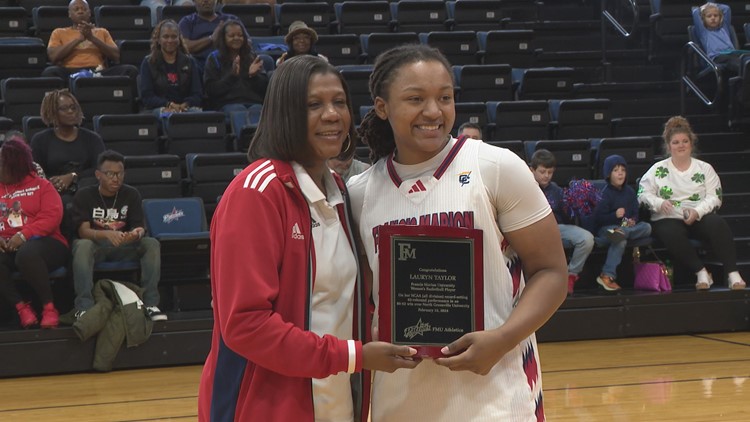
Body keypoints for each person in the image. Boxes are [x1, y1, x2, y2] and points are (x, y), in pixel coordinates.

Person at [350, 44, 568, 421]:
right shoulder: (359, 193)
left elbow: (551, 273)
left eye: (445, 97)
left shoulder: (495, 167)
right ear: (382, 107)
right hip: (400, 401)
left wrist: (501, 340)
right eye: (415, 98)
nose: (433, 111)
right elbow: (363, 303)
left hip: (498, 398)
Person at [198, 55, 420, 421]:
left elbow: (340, 304)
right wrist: (355, 356)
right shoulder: (256, 193)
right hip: (263, 407)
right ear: (284, 113)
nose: (332, 114)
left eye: (339, 102)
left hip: (336, 401)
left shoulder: (339, 192)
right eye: (314, 104)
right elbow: (246, 325)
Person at [639, 116, 746, 291]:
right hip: (669, 217)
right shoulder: (657, 170)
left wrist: (697, 211)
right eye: (675, 142)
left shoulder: (704, 169)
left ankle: (732, 273)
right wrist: (658, 202)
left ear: (691, 143)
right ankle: (701, 272)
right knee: (668, 230)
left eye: (684, 141)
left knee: (718, 223)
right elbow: (642, 193)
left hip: (698, 215)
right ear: (668, 146)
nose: (680, 145)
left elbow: (715, 197)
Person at [68, 150, 166, 323]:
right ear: (98, 175)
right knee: (82, 245)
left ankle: (150, 304)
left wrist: (135, 234)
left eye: (119, 173)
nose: (115, 178)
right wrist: (106, 234)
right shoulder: (84, 195)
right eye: (110, 174)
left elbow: (139, 227)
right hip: (96, 247)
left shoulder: (131, 194)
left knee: (151, 243)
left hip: (122, 246)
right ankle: (84, 307)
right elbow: (83, 231)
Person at [0, 137, 69, 329]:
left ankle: (49, 308)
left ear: (15, 167)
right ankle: (21, 308)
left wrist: (23, 235)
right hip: (7, 245)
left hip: (47, 243)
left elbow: (52, 217)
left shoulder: (41, 186)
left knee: (26, 253)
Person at [31, 89, 105, 238]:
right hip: (54, 192)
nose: (71, 111)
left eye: (73, 107)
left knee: (75, 202)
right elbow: (36, 172)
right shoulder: (40, 140)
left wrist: (73, 176)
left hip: (87, 189)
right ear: (52, 112)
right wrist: (54, 183)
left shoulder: (92, 138)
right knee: (64, 203)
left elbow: (102, 169)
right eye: (64, 108)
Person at [530, 149, 594, 295]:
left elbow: (567, 217)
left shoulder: (557, 191)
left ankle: (570, 275)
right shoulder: (525, 188)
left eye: (550, 172)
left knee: (586, 239)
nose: (546, 176)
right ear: (532, 170)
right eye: (542, 171)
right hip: (532, 231)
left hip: (556, 228)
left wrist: (573, 207)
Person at [591, 155, 652, 291]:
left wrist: (632, 221)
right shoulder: (605, 194)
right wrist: (614, 215)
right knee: (620, 239)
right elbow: (598, 218)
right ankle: (607, 275)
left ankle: (615, 237)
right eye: (616, 170)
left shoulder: (630, 192)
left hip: (624, 228)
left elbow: (635, 213)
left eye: (623, 170)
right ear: (608, 174)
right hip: (607, 228)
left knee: (646, 227)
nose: (620, 173)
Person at [42, 0, 138, 83]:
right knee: (49, 72)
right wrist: (78, 39)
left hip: (98, 71)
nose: (80, 11)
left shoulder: (102, 32)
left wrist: (92, 38)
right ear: (69, 14)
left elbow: (116, 56)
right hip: (69, 71)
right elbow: (53, 57)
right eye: (76, 9)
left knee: (130, 70)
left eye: (84, 9)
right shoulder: (59, 32)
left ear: (89, 13)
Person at [139, 19, 203, 115]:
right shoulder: (148, 62)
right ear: (159, 40)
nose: (170, 40)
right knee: (169, 116)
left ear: (179, 39)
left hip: (185, 108)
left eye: (174, 37)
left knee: (197, 114)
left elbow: (197, 94)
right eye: (166, 37)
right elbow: (147, 97)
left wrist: (185, 104)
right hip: (159, 108)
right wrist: (169, 105)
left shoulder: (190, 62)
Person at [203, 20, 268, 114]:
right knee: (238, 110)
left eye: (240, 35)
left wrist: (253, 76)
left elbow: (265, 89)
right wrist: (232, 76)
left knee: (257, 109)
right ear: (223, 38)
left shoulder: (252, 57)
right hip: (227, 104)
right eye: (231, 36)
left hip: (253, 102)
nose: (237, 38)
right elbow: (211, 90)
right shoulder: (214, 58)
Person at [178, 0, 247, 74]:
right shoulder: (187, 21)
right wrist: (211, 38)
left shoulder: (231, 19)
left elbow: (247, 42)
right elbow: (184, 47)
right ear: (194, 1)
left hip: (228, 63)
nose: (206, 1)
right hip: (197, 66)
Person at [693, 2, 749, 75]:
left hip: (732, 53)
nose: (713, 18)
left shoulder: (724, 28)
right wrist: (707, 5)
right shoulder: (704, 32)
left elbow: (726, 8)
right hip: (717, 57)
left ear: (720, 17)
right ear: (703, 19)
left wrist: (713, 5)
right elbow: (695, 12)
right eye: (709, 16)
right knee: (732, 61)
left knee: (745, 58)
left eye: (716, 15)